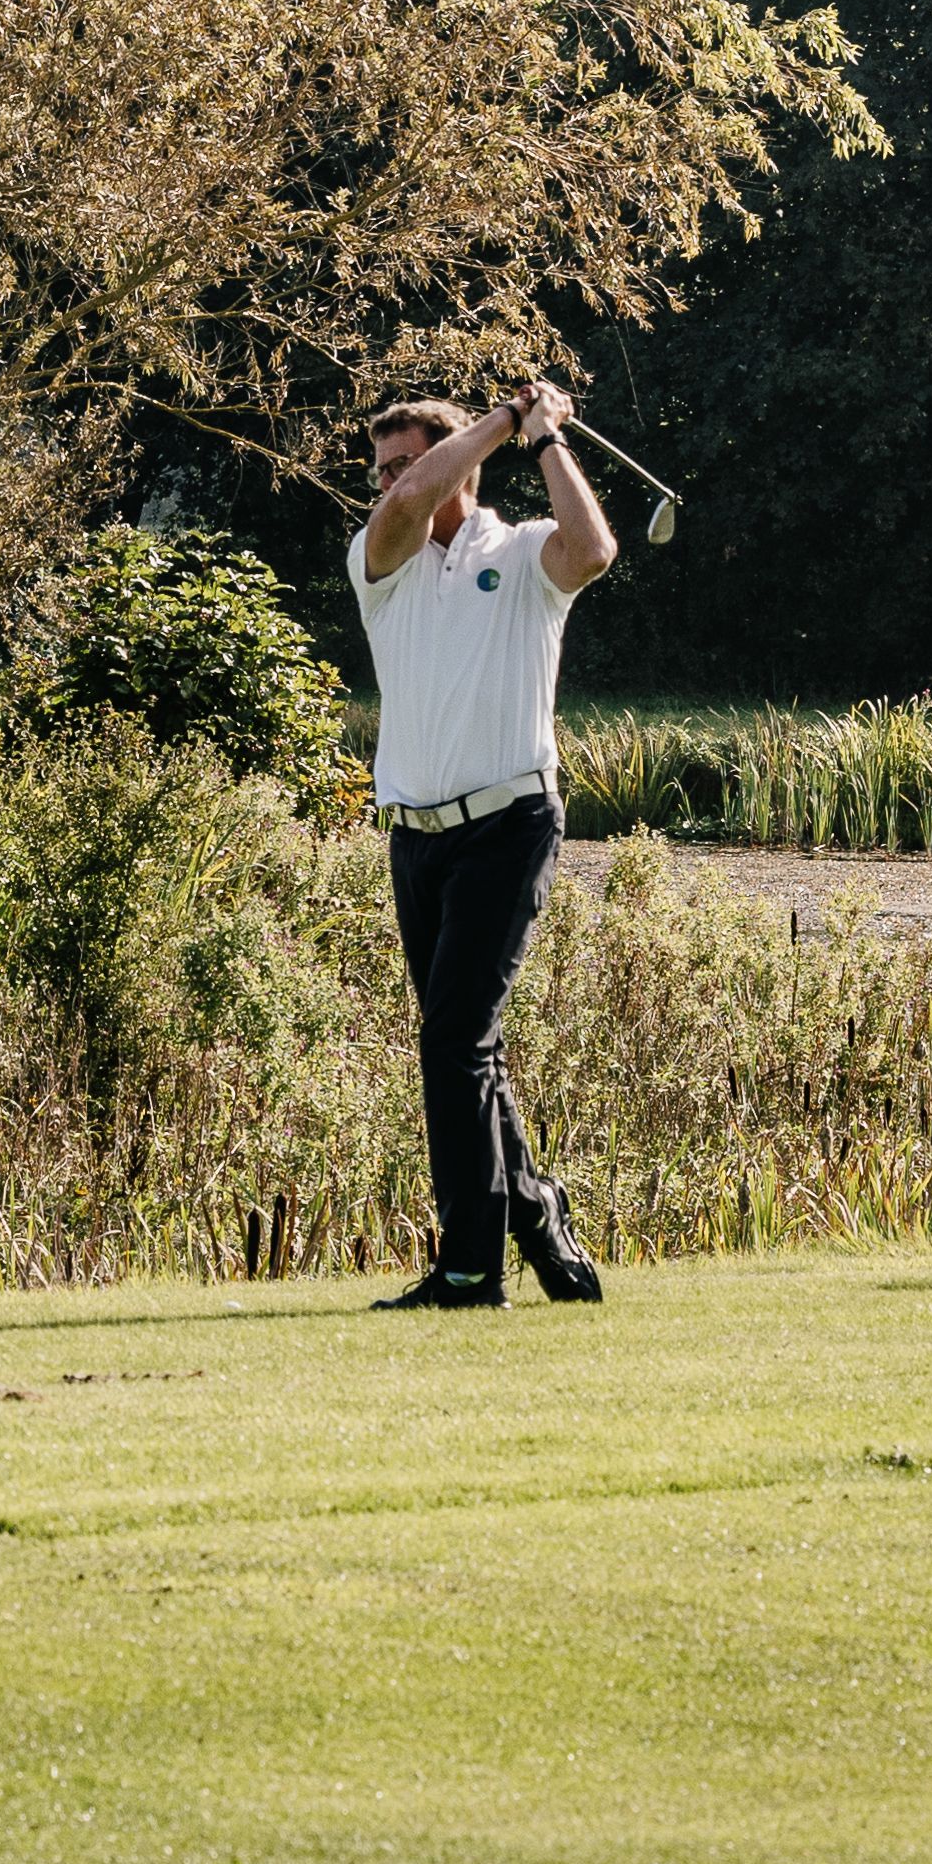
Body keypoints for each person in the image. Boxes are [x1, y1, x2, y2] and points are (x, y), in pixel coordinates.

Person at [354, 380, 618, 1306]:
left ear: (458, 459)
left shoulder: (522, 551)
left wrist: (545, 439)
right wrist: (509, 415)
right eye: (381, 466)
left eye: (404, 460)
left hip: (510, 824)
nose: (390, 482)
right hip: (417, 840)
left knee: (452, 1040)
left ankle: (470, 1267)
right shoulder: (377, 558)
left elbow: (594, 548)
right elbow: (412, 503)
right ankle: (537, 1212)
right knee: (469, 1047)